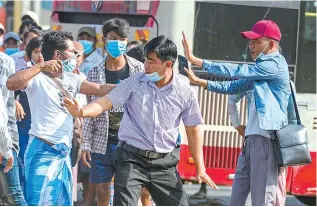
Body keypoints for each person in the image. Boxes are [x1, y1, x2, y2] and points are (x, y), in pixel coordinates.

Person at [64, 35, 218, 206]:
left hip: (164, 163)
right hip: (131, 160)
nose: (145, 66)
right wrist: (81, 111)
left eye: (151, 62)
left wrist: (200, 168)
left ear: (167, 64)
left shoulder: (184, 91)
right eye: (145, 60)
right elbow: (105, 102)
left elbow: (193, 129)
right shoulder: (134, 82)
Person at [182, 20, 296, 205]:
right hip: (251, 140)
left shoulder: (274, 65)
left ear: (271, 43)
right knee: (237, 200)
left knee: (262, 201)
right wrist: (202, 82)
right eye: (250, 41)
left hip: (266, 140)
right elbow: (234, 86)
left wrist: (198, 61)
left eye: (256, 41)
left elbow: (238, 70)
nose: (250, 45)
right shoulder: (261, 70)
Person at [6, 30, 116, 206]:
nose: (76, 55)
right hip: (42, 151)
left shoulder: (73, 78)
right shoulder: (36, 77)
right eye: (72, 51)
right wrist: (41, 66)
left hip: (64, 155)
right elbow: (11, 84)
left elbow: (100, 89)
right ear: (58, 54)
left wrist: (128, 85)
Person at [82, 18, 144, 206]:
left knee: (126, 192)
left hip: (130, 142)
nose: (118, 43)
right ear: (104, 39)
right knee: (102, 191)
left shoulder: (138, 70)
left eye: (123, 39)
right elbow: (90, 108)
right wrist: (86, 142)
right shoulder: (94, 72)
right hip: (102, 140)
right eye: (113, 38)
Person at [228, 78, 297, 206]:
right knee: (271, 192)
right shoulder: (282, 82)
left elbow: (232, 97)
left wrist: (237, 124)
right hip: (271, 142)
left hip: (257, 141)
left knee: (251, 192)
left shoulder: (253, 79)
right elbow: (292, 117)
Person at [0, 51, 27, 205]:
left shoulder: (3, 62)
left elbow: (1, 109)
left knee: (13, 196)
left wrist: (5, 147)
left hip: (4, 139)